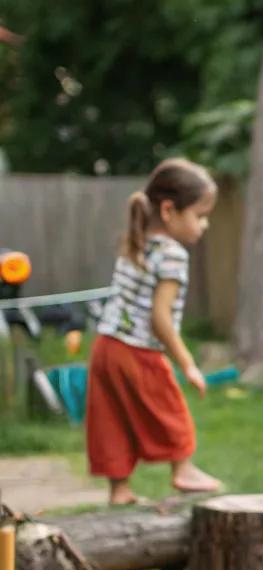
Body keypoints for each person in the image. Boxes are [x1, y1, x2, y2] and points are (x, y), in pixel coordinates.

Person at [86, 157, 222, 505]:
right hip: (137, 350)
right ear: (168, 210)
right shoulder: (173, 254)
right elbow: (160, 319)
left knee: (111, 417)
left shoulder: (137, 240)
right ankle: (183, 469)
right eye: (199, 215)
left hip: (106, 346)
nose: (204, 225)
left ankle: (120, 490)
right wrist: (187, 362)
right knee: (169, 410)